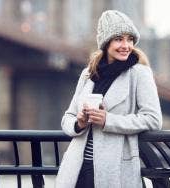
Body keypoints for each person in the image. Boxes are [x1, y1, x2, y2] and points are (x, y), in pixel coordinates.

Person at [55, 10, 162, 188]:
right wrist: (79, 123)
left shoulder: (139, 74)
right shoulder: (89, 74)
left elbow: (153, 119)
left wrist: (108, 120)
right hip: (77, 169)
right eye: (119, 39)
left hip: (114, 171)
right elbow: (68, 118)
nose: (126, 45)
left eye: (130, 39)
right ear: (106, 43)